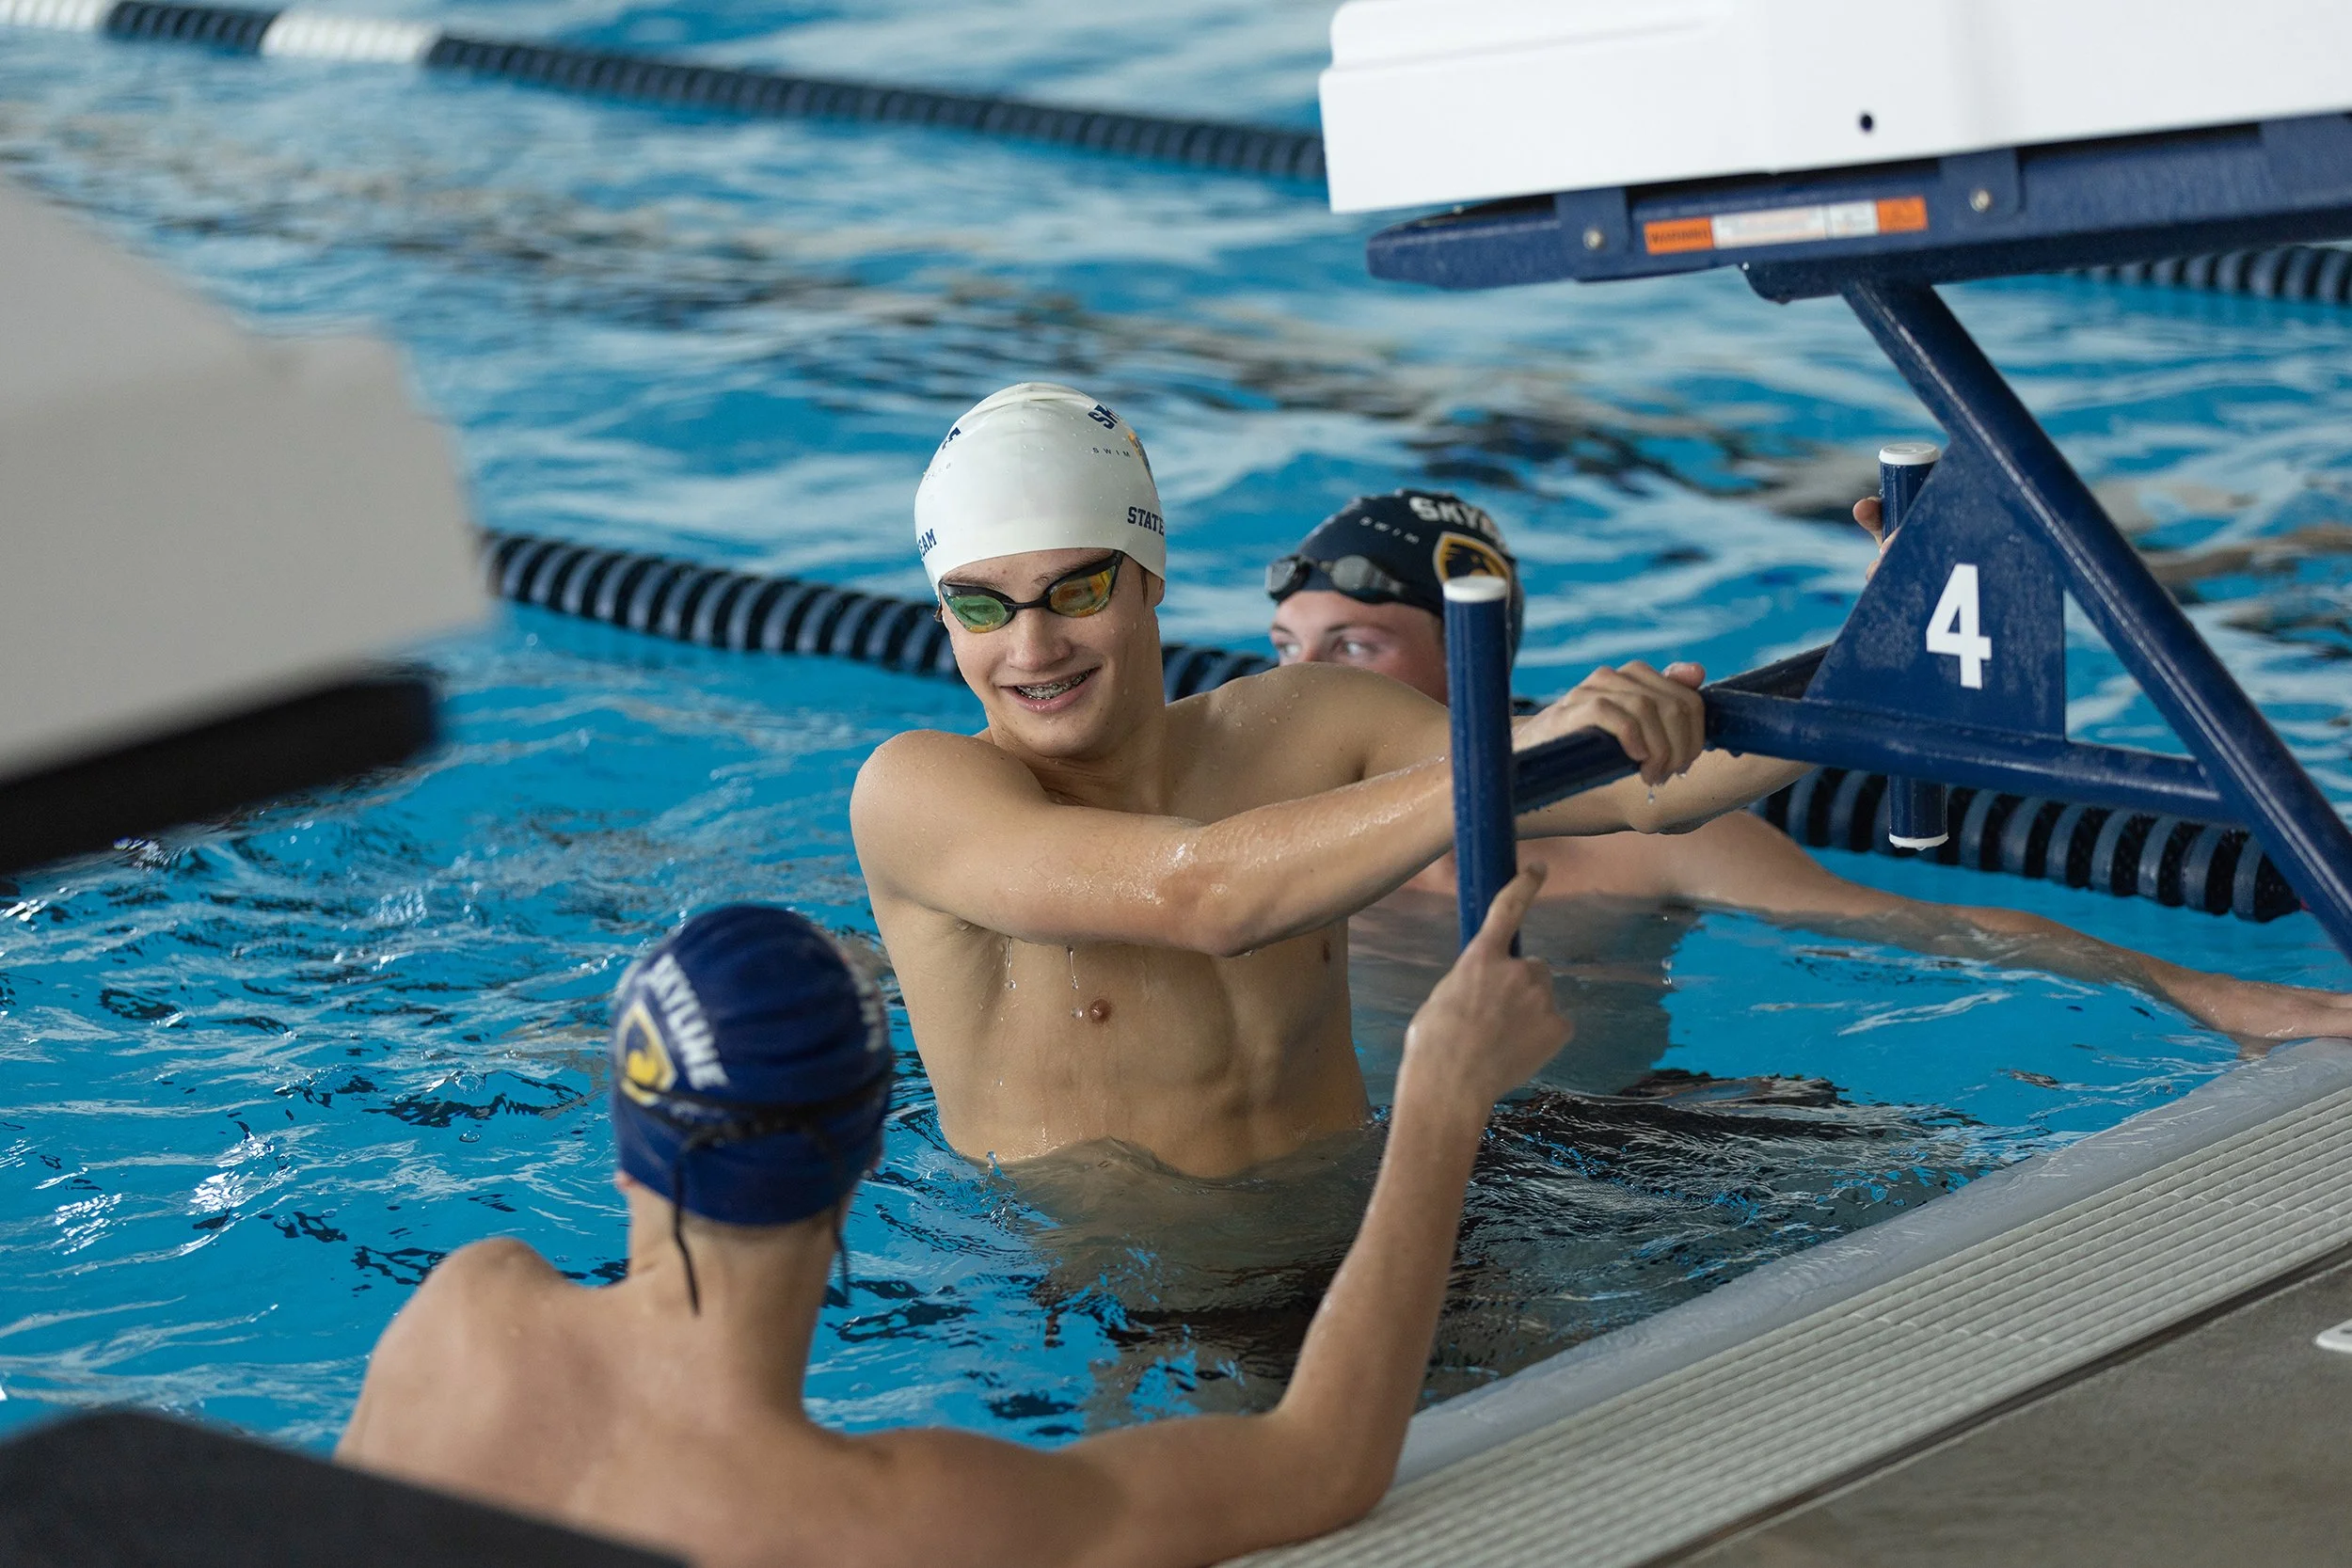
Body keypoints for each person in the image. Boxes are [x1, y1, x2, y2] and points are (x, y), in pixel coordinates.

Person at [338, 884, 1573, 1568]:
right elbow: (1321, 1461)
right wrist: (1442, 1098)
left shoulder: (463, 1311)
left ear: (624, 1123)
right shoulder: (898, 1520)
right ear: (870, 1150)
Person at [852, 383, 1815, 1179]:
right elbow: (1205, 891)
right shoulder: (919, 793)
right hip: (1137, 1314)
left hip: (1380, 1235)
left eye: (1077, 590)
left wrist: (1910, 635)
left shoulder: (1308, 721)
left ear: (1149, 576)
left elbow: (1646, 790)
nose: (1032, 645)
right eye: (979, 605)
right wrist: (1505, 753)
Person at [1269, 487, 2352, 1043]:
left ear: (1477, 649)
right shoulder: (1271, 831)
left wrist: (2206, 990)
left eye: (1353, 647)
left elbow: (1936, 928)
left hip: (1608, 1159)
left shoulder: (1646, 844)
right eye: (1285, 650)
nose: (1303, 684)